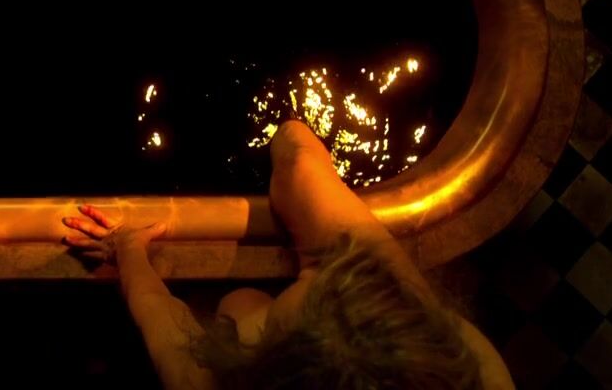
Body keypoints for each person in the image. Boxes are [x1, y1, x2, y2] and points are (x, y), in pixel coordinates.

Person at [61, 119, 515, 389]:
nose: (318, 275)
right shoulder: (468, 366)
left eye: (276, 323)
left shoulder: (205, 382)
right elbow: (300, 164)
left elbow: (166, 330)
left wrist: (129, 251)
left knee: (239, 303)